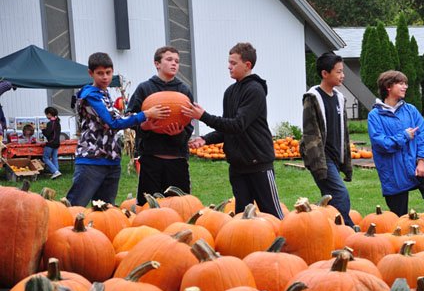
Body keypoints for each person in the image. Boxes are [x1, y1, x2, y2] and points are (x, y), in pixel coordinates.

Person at [184, 42, 284, 219]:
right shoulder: (230, 92)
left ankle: (283, 246)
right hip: (238, 167)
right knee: (242, 219)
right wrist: (205, 139)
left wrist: (204, 116)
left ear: (247, 65)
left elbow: (238, 124)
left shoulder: (255, 90)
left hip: (258, 163)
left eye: (233, 63)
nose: (229, 67)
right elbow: (228, 129)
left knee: (273, 216)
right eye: (228, 62)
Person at [66, 52, 169, 206]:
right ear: (91, 73)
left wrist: (144, 123)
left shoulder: (104, 94)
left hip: (111, 160)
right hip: (91, 160)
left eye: (108, 73)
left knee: (105, 210)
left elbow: (117, 120)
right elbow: (113, 122)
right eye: (100, 73)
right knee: (74, 207)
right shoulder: (91, 96)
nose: (105, 77)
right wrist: (146, 114)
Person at [367, 70, 424, 221]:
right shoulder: (374, 116)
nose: (405, 87)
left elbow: (423, 137)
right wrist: (404, 136)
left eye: (406, 83)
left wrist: (422, 161)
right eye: (401, 83)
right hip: (394, 173)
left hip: (417, 168)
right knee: (399, 218)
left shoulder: (411, 110)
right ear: (388, 87)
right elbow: (381, 144)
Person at [127, 46, 194, 206]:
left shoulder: (184, 90)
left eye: (177, 61)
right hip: (151, 159)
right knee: (148, 207)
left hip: (177, 159)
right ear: (157, 64)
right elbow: (130, 117)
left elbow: (189, 124)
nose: (174, 64)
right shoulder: (145, 89)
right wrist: (145, 126)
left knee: (180, 206)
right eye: (169, 60)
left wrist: (179, 133)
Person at [301, 52, 354, 226]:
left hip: (335, 156)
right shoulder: (313, 97)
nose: (342, 75)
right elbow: (310, 133)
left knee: (330, 197)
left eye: (342, 71)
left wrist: (346, 161)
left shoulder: (339, 98)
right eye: (338, 72)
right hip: (321, 158)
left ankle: (321, 227)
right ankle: (347, 229)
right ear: (325, 74)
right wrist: (318, 164)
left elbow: (343, 132)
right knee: (340, 194)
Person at [42, 106, 62, 179]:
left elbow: (47, 134)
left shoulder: (50, 123)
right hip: (57, 143)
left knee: (45, 158)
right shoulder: (57, 122)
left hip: (51, 143)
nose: (46, 116)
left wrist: (43, 130)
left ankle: (55, 171)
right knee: (54, 158)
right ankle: (57, 172)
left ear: (49, 114)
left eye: (46, 114)